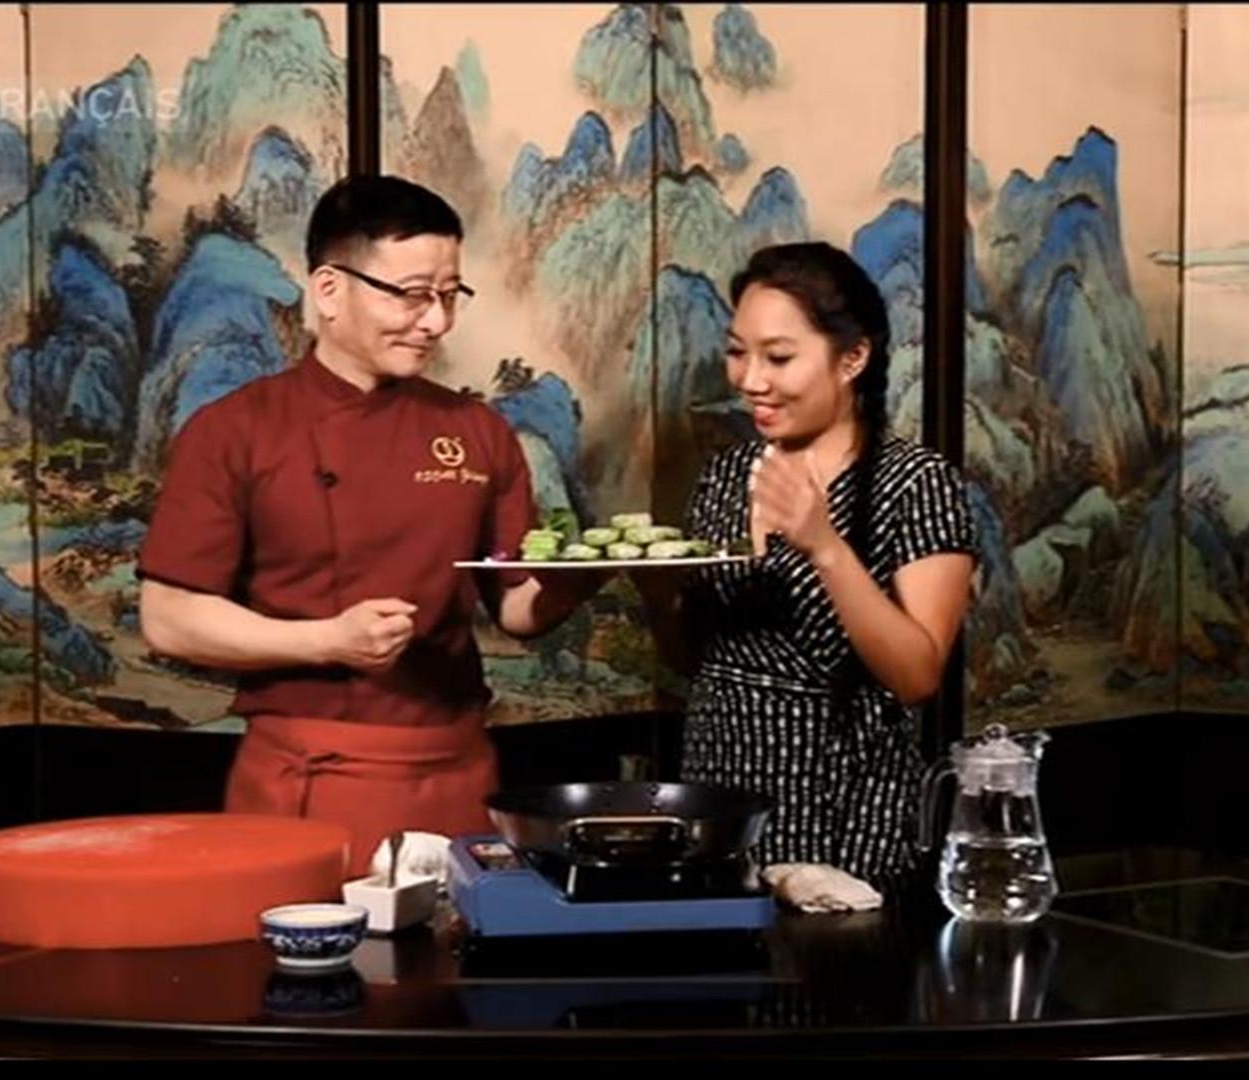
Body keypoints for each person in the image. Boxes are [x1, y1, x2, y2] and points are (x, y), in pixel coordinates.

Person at [137, 175, 598, 874]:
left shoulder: (476, 430)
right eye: (411, 294)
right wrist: (328, 640)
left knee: (457, 944)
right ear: (329, 290)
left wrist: (585, 578)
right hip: (309, 775)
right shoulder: (234, 430)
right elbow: (169, 619)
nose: (435, 321)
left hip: (458, 771)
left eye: (450, 295)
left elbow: (517, 606)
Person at [636, 241, 978, 889]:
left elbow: (917, 676)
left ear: (852, 358)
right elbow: (695, 660)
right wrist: (655, 593)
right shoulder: (727, 474)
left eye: (779, 357)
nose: (750, 380)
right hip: (718, 803)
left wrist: (824, 546)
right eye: (737, 352)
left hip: (845, 813)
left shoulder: (915, 481)